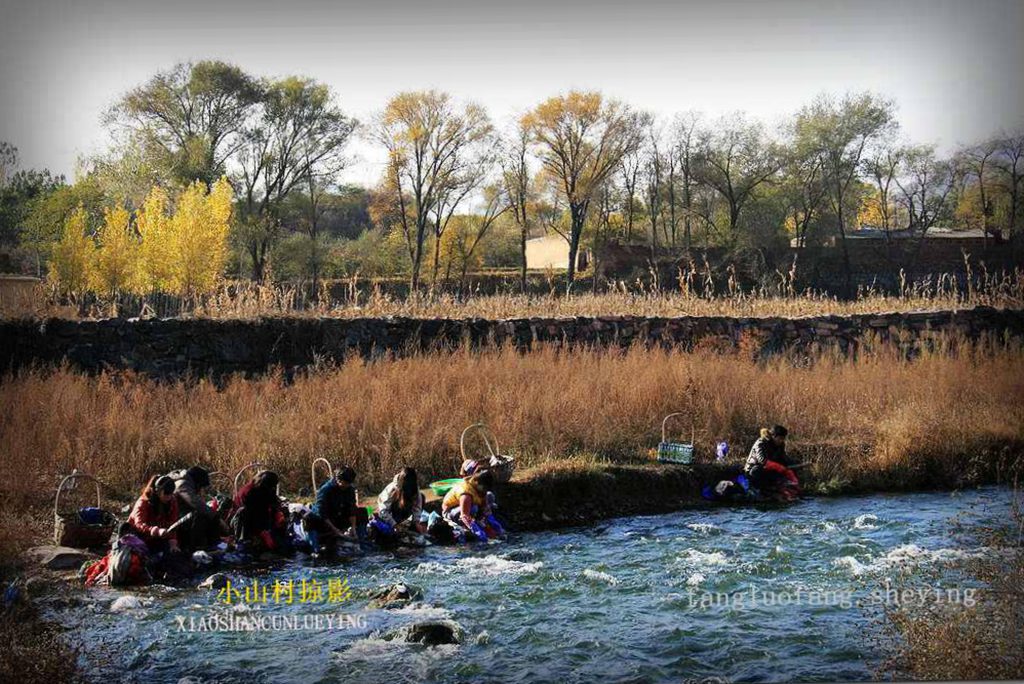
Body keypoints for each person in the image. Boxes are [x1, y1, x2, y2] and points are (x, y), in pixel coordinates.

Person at [303, 466, 366, 554]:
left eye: (349, 483)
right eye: (346, 483)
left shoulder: (349, 489)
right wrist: (335, 530)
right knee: (308, 518)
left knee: (362, 512)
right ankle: (315, 549)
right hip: (324, 520)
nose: (348, 485)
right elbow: (321, 512)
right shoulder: (325, 490)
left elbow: (351, 509)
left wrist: (353, 527)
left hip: (338, 516)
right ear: (339, 480)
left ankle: (361, 543)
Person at [168, 466, 230, 552]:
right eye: (201, 486)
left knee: (207, 514)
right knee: (202, 515)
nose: (201, 489)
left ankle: (215, 543)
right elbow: (197, 504)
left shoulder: (187, 483)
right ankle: (198, 546)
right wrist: (218, 519)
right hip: (173, 521)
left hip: (179, 517)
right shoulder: (183, 484)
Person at [231, 470, 289, 553]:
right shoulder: (249, 492)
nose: (273, 488)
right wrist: (262, 532)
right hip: (246, 519)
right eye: (272, 486)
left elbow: (273, 502)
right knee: (244, 513)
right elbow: (253, 513)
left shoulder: (267, 489)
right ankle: (245, 541)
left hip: (262, 515)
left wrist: (278, 512)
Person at [369, 467, 427, 543]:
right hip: (389, 514)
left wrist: (416, 522)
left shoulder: (414, 488)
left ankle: (410, 526)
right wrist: (394, 525)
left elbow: (417, 507)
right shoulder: (391, 490)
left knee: (422, 496)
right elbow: (383, 511)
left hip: (403, 512)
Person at [128, 474, 182, 555]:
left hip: (158, 537)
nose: (169, 497)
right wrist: (155, 530)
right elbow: (139, 524)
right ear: (157, 491)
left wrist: (173, 542)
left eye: (171, 493)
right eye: (166, 493)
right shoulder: (143, 502)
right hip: (138, 537)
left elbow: (173, 523)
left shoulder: (172, 501)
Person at [743, 425, 800, 499]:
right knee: (756, 470)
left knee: (790, 466)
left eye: (783, 438)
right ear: (773, 436)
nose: (782, 440)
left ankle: (789, 488)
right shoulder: (761, 443)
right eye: (780, 438)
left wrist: (793, 464)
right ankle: (759, 490)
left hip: (769, 470)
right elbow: (763, 461)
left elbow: (783, 458)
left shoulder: (780, 445)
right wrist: (780, 467)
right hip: (753, 471)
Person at [441, 471, 499, 541]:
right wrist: (477, 531)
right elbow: (464, 516)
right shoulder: (466, 494)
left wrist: (492, 525)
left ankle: (480, 522)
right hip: (451, 511)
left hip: (468, 506)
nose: (485, 490)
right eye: (485, 488)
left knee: (489, 496)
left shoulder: (481, 490)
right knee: (474, 508)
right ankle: (464, 526)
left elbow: (485, 507)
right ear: (477, 483)